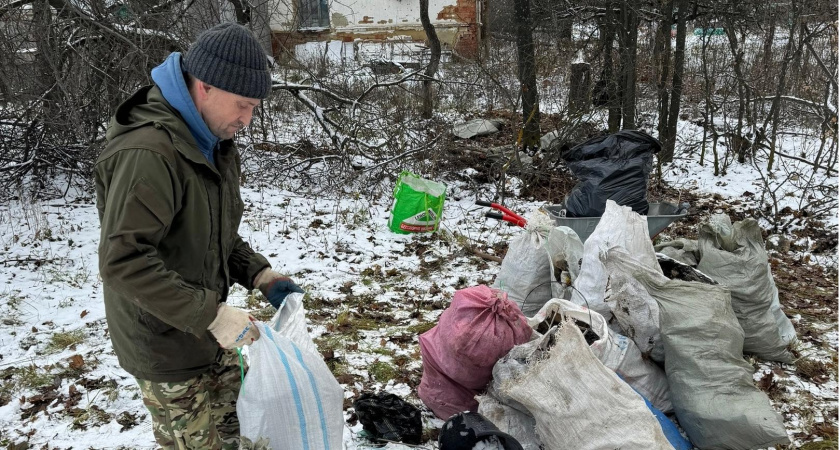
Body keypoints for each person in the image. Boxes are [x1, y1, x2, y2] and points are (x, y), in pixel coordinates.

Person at [95, 22, 303, 449]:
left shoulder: (210, 139)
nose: (247, 120)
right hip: (164, 342)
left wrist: (259, 274)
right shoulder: (149, 154)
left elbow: (212, 234)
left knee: (239, 432)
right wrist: (214, 315)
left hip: (207, 331)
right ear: (205, 86)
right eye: (243, 105)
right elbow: (123, 261)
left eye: (254, 108)